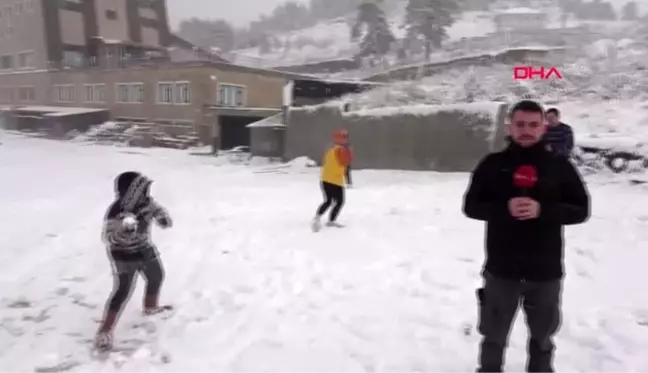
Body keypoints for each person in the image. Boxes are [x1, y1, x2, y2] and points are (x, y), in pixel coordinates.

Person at [462, 100, 590, 373]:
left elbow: (581, 210)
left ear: (544, 126)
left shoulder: (560, 166)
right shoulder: (492, 164)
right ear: (510, 125)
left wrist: (543, 210)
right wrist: (503, 208)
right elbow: (470, 206)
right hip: (501, 270)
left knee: (543, 339)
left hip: (545, 272)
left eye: (533, 125)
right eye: (520, 124)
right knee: (493, 338)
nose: (527, 131)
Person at [95, 171, 173, 351]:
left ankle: (150, 307)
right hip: (123, 255)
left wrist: (162, 218)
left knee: (156, 276)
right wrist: (123, 232)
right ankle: (105, 331)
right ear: (132, 192)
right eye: (144, 189)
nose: (147, 193)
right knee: (123, 290)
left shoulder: (147, 203)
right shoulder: (117, 211)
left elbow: (158, 210)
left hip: (144, 248)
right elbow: (108, 237)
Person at [311, 129, 352, 231]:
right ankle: (331, 221)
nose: (346, 140)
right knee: (340, 201)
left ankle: (317, 217)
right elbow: (346, 163)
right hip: (335, 181)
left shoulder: (330, 150)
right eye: (344, 138)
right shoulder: (340, 150)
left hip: (325, 180)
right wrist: (348, 180)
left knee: (328, 201)